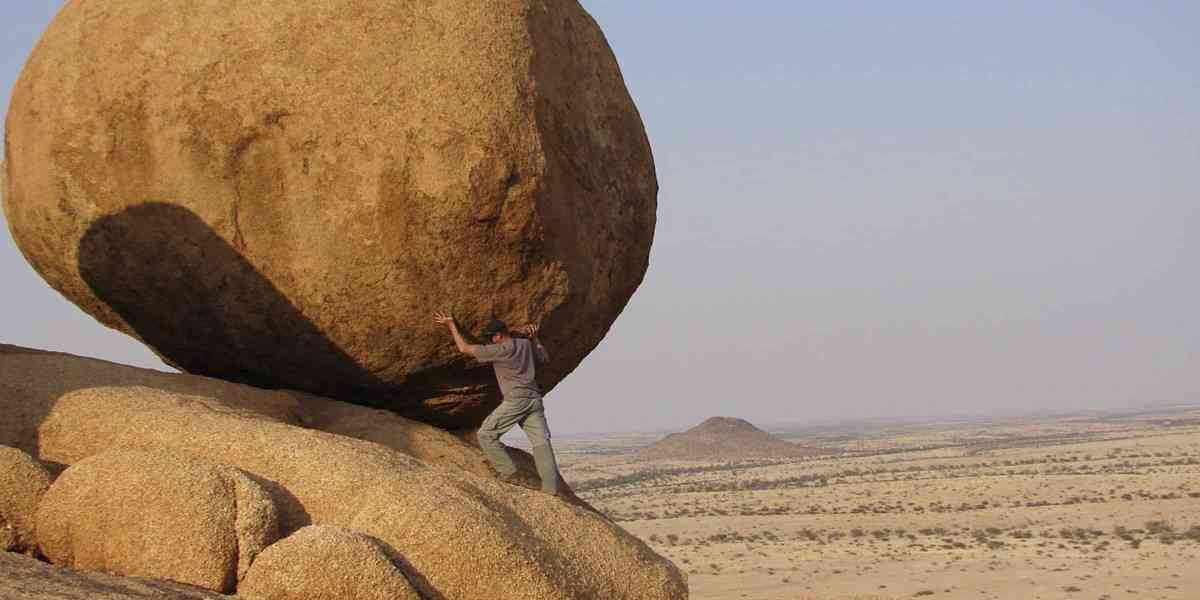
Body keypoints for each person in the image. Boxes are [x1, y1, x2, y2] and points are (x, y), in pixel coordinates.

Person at [432, 312, 561, 495]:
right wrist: (535, 338)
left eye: (491, 338)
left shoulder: (499, 350)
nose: (490, 341)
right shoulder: (525, 344)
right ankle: (550, 490)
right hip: (534, 400)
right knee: (542, 443)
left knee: (486, 434)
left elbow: (464, 348)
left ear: (498, 336)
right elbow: (544, 359)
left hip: (515, 400)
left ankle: (508, 471)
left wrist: (451, 324)